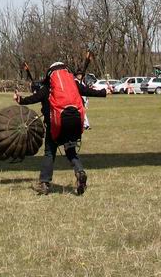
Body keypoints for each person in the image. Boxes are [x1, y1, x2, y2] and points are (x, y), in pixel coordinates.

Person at [14, 61, 106, 195]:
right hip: (73, 123)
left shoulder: (48, 87)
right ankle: (80, 172)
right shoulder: (73, 84)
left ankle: (44, 183)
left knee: (50, 152)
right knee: (71, 151)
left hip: (55, 125)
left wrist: (20, 100)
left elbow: (35, 98)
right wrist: (103, 92)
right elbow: (87, 91)